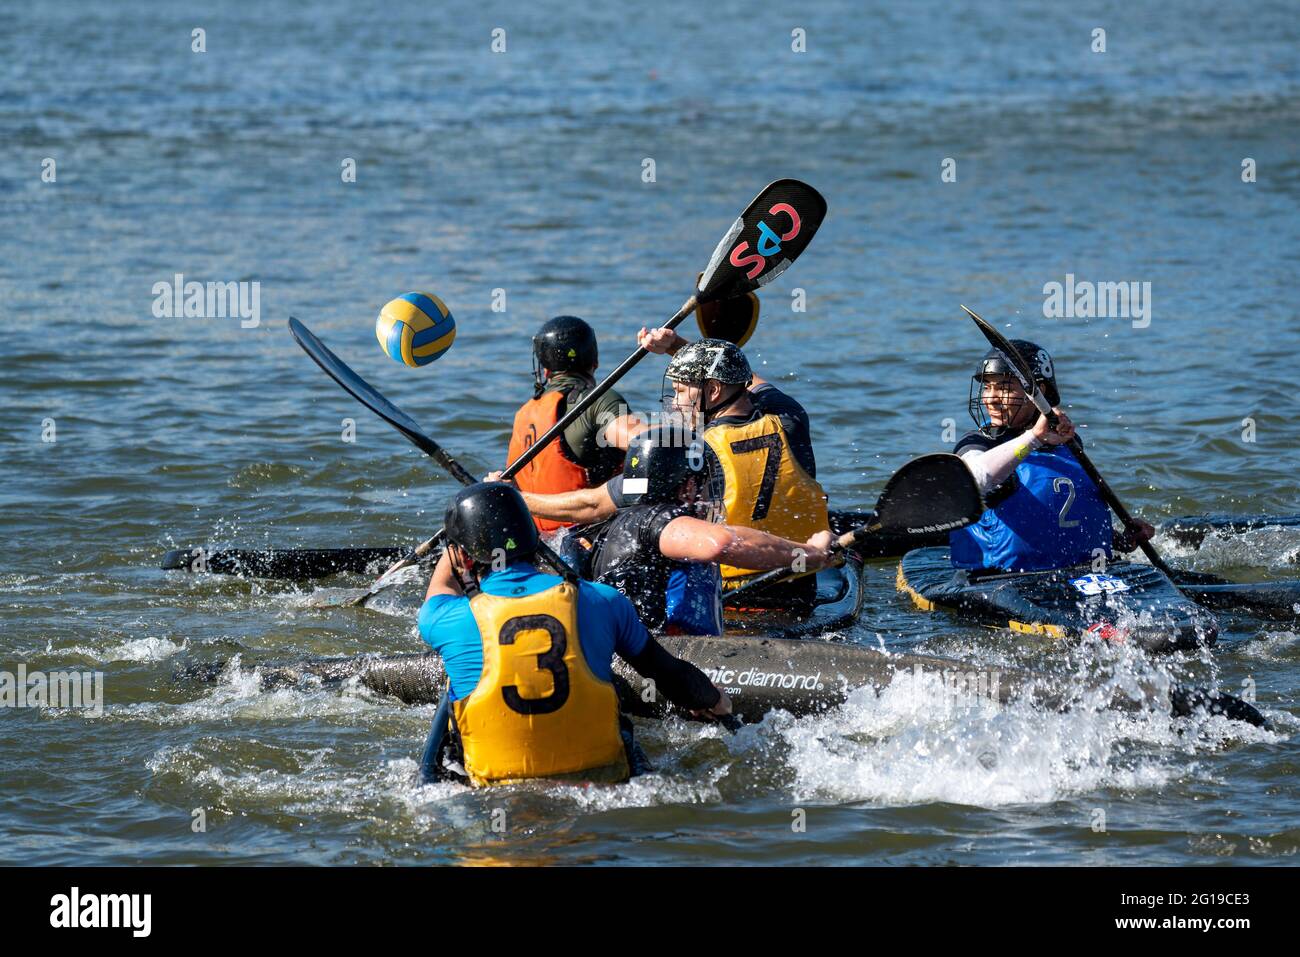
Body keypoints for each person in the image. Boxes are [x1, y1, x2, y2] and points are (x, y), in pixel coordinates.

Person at [416, 482, 731, 787]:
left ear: (463, 556)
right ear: (533, 536)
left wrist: (456, 553)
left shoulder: (445, 619)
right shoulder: (603, 599)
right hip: (607, 783)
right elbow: (668, 673)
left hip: (497, 789)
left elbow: (442, 588)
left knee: (454, 687)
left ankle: (428, 778)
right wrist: (711, 699)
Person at [488, 427, 836, 633]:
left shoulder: (622, 520)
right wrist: (811, 554)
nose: (705, 493)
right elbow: (721, 543)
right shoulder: (659, 520)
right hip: (659, 656)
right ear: (685, 488)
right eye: (701, 484)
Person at [637, 330, 830, 595]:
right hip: (801, 581)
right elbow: (746, 379)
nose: (676, 402)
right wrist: (676, 346)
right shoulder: (790, 418)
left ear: (714, 390)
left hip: (728, 592)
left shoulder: (695, 450)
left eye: (681, 391)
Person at [949, 340, 1154, 573]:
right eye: (987, 387)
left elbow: (1061, 516)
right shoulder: (977, 442)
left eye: (1004, 388)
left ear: (1038, 392)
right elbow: (973, 479)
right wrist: (1034, 438)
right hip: (1002, 577)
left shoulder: (1068, 443)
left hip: (1081, 570)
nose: (991, 399)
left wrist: (1119, 540)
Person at [506, 316, 645, 532]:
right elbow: (648, 444)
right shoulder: (599, 401)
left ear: (544, 369)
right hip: (588, 538)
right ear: (595, 362)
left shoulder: (523, 414)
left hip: (536, 541)